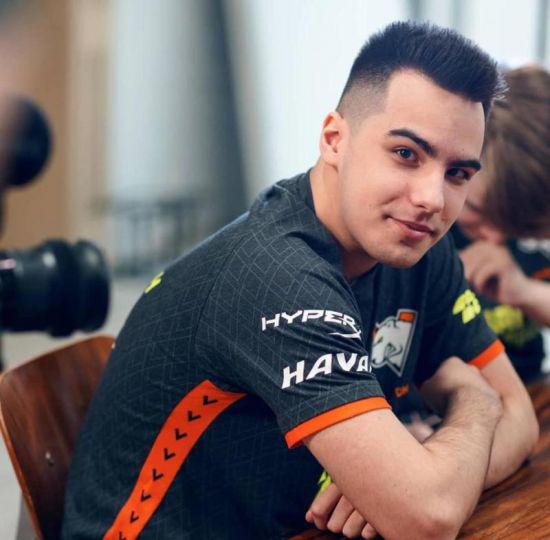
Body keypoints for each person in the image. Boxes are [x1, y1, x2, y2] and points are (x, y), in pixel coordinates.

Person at [62, 22, 539, 539]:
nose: (432, 198)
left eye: (458, 173)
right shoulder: (276, 276)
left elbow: (520, 420)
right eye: (406, 154)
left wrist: (421, 471)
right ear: (334, 139)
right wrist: (474, 403)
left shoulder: (420, 247)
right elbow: (428, 517)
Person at [453, 65, 550, 380]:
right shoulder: (423, 219)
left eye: (517, 225)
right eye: (476, 209)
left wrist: (524, 291)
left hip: (531, 384)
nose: (494, 238)